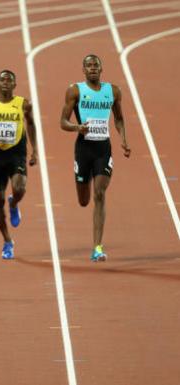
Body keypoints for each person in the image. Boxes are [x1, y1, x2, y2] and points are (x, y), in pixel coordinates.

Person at [60, 54, 130, 262]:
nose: (92, 68)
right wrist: (77, 127)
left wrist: (123, 139)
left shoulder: (113, 91)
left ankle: (97, 247)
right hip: (83, 150)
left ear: (101, 69)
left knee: (100, 193)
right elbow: (63, 121)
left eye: (95, 65)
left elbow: (118, 118)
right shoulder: (75, 91)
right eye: (88, 66)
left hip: (103, 149)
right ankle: (84, 178)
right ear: (83, 70)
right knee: (84, 200)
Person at [0, 70, 38, 259]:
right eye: (2, 80)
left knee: (19, 188)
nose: (5, 83)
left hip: (17, 154)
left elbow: (31, 125)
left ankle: (14, 202)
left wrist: (35, 149)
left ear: (14, 85)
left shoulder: (23, 104)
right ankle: (7, 241)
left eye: (9, 80)